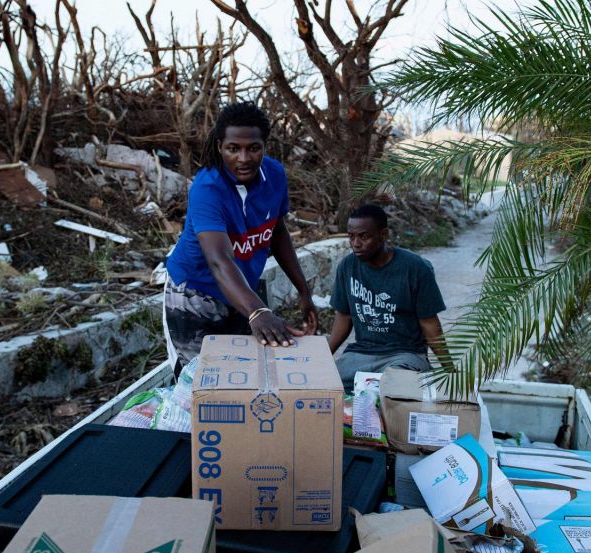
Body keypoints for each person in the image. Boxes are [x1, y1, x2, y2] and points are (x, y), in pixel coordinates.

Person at [163, 103, 317, 375]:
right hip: (196, 293)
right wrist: (258, 311)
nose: (244, 158)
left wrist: (303, 290)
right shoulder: (207, 188)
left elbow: (276, 231)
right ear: (220, 146)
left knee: (243, 377)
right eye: (234, 148)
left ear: (265, 146)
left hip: (240, 291)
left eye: (253, 148)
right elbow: (219, 260)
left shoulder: (275, 175)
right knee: (198, 384)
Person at [328, 204, 453, 392]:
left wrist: (450, 371)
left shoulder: (415, 268)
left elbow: (430, 325)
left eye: (364, 236)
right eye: (351, 237)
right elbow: (343, 317)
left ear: (383, 235)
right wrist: (322, 360)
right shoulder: (347, 266)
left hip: (405, 355)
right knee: (327, 388)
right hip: (361, 354)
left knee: (394, 391)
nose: (356, 244)